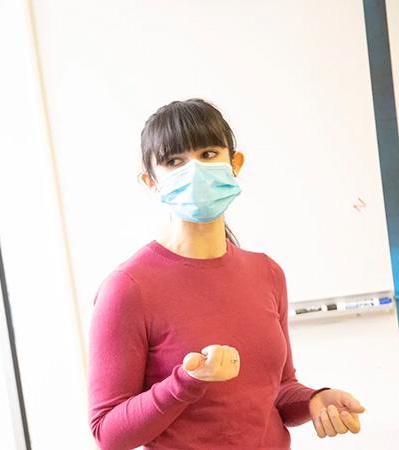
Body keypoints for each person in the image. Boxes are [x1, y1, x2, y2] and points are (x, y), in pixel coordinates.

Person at [87, 99, 366, 449]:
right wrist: (186, 381)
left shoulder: (267, 272)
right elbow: (108, 432)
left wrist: (313, 400)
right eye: (174, 161)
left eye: (207, 155)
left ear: (234, 164)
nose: (195, 171)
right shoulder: (128, 288)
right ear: (150, 181)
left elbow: (278, 387)